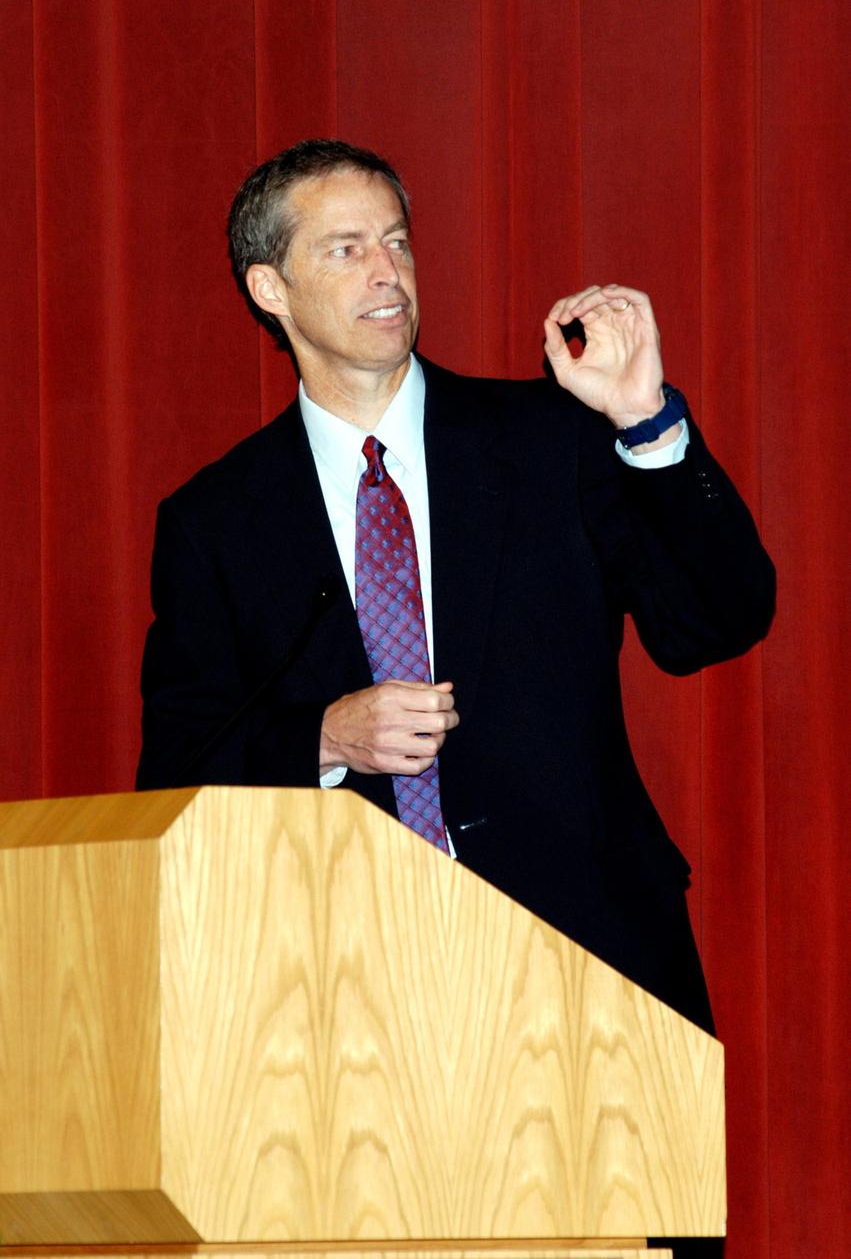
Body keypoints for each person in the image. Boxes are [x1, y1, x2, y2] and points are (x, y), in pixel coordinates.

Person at [137, 139, 775, 1035]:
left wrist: (641, 417)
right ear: (268, 289)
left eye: (396, 241)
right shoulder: (218, 521)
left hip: (587, 965)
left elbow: (717, 619)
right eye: (345, 248)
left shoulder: (551, 440)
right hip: (346, 996)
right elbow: (174, 775)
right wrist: (324, 737)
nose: (386, 271)